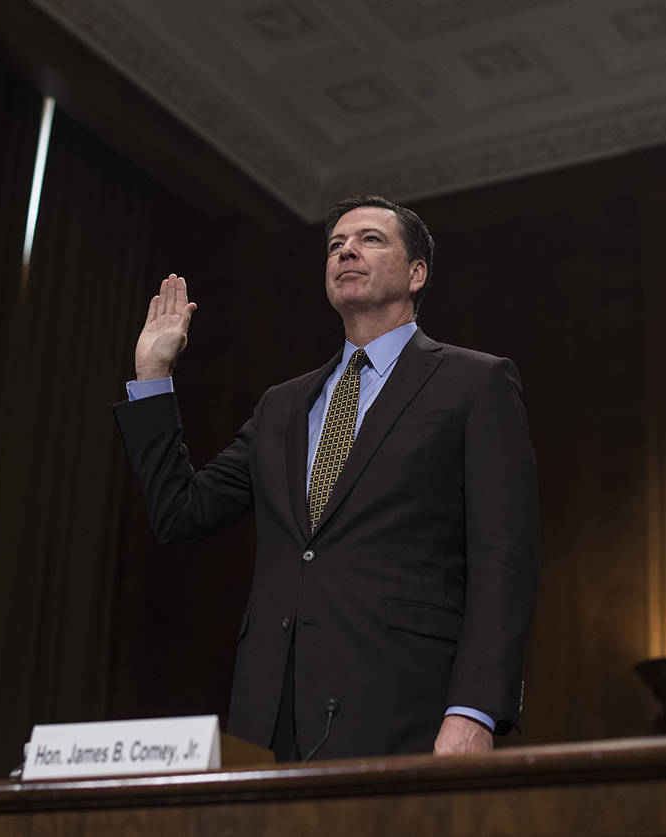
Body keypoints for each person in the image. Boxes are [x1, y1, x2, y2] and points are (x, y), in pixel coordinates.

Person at [113, 195, 539, 760]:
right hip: (269, 712)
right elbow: (179, 512)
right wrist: (152, 374)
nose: (346, 252)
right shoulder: (281, 406)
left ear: (417, 274)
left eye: (369, 239)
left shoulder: (475, 382)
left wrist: (475, 710)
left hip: (403, 705)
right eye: (335, 245)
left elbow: (503, 557)